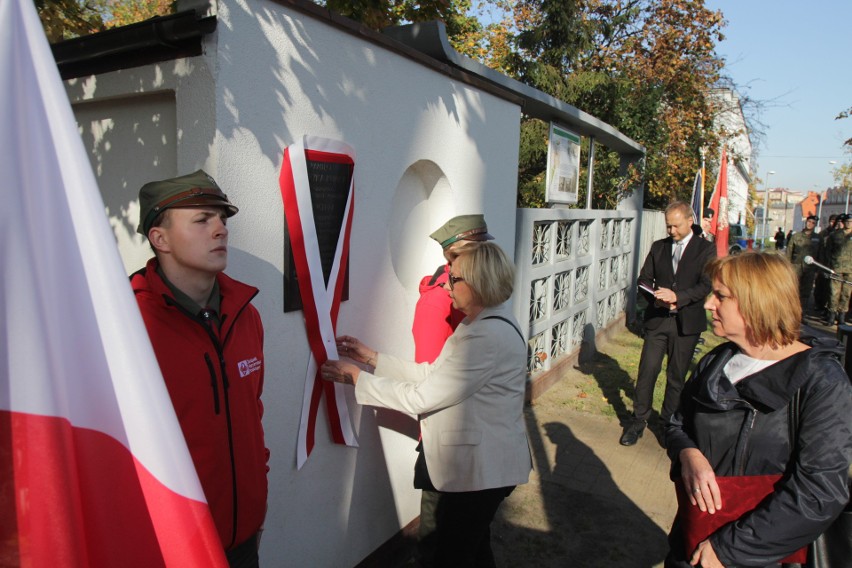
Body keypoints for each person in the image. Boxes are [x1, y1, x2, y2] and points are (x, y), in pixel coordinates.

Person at [322, 242, 532, 567]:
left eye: (454, 279)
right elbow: (431, 374)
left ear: (478, 284)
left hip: (482, 473)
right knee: (473, 551)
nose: (446, 286)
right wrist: (372, 359)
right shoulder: (477, 323)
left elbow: (423, 396)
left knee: (452, 555)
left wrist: (357, 380)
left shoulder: (486, 336)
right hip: (480, 469)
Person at [664, 252, 852, 568]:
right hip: (693, 542)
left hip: (766, 557)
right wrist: (688, 454)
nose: (709, 303)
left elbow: (820, 492)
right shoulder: (716, 361)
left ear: (757, 303)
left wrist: (728, 550)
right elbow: (676, 424)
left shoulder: (822, 383)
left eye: (721, 296)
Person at [131, 170, 268, 566]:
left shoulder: (246, 316)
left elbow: (251, 415)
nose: (221, 230)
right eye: (202, 219)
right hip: (168, 545)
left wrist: (257, 502)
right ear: (160, 239)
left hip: (243, 537)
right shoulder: (125, 324)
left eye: (222, 219)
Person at [620, 201, 716, 446]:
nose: (671, 230)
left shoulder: (705, 249)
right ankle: (638, 420)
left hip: (686, 323)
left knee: (676, 376)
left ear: (689, 221)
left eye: (676, 225)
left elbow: (706, 285)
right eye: (668, 226)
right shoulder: (659, 247)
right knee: (648, 370)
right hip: (658, 320)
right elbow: (643, 279)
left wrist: (679, 298)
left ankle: (667, 424)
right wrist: (654, 297)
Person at [413, 214, 494, 364]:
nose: (487, 252)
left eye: (485, 244)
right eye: (478, 247)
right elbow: (427, 370)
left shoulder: (477, 286)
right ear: (455, 253)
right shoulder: (435, 302)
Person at [785, 214, 821, 314]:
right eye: (809, 222)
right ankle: (790, 312)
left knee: (806, 292)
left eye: (813, 223)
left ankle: (802, 313)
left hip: (810, 269)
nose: (810, 224)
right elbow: (789, 252)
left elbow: (820, 254)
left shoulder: (818, 238)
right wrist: (787, 266)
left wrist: (818, 270)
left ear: (815, 225)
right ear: (806, 222)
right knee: (794, 290)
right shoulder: (796, 236)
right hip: (796, 267)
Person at [826, 213, 852, 326]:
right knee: (834, 293)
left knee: (846, 294)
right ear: (843, 222)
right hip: (836, 268)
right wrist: (830, 265)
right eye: (847, 221)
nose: (849, 223)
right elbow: (828, 251)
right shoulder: (835, 235)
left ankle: (842, 317)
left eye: (851, 222)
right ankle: (831, 316)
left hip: (850, 270)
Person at [813, 214, 839, 317]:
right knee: (820, 286)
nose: (833, 223)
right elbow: (819, 249)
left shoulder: (837, 234)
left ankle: (829, 309)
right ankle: (819, 304)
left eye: (835, 221)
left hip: (833, 265)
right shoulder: (823, 234)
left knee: (830, 289)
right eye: (831, 221)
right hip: (822, 263)